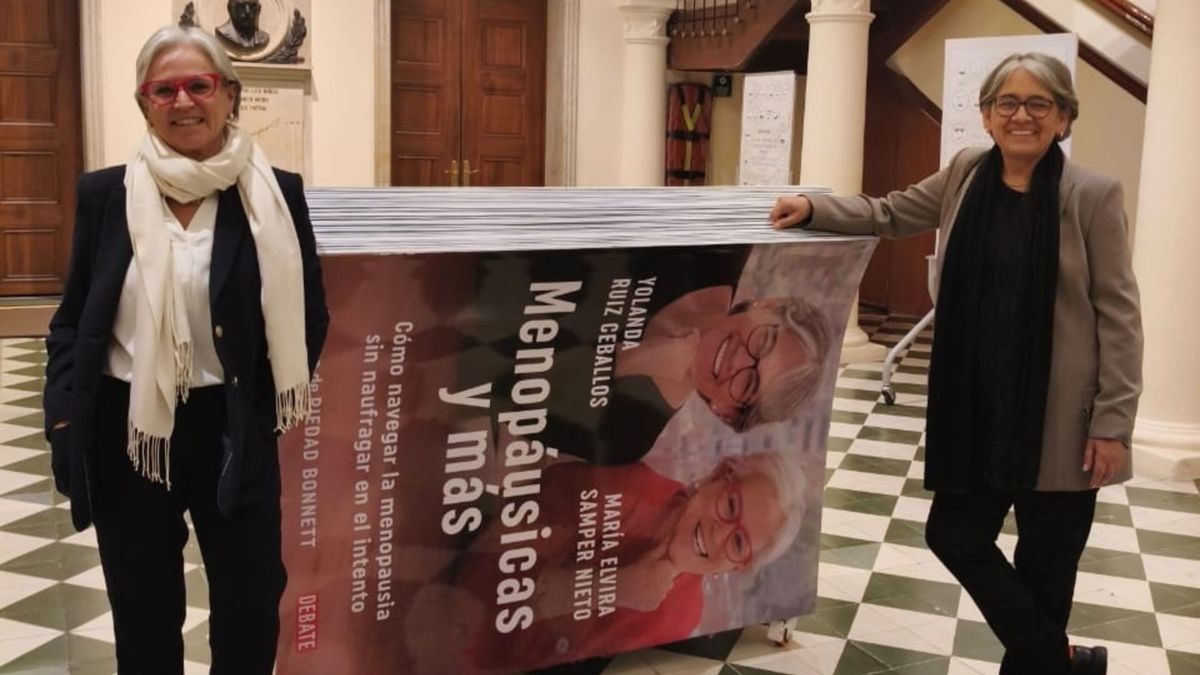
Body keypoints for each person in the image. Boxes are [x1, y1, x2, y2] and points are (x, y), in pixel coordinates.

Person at [770, 52, 1140, 675]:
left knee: (1047, 568)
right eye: (1007, 103)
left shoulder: (1092, 195)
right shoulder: (967, 172)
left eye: (1038, 104)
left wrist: (1113, 422)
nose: (1021, 115)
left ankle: (1045, 661)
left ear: (1064, 119)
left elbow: (1118, 313)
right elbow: (890, 214)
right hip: (977, 409)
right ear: (988, 117)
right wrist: (816, 209)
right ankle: (1061, 658)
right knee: (955, 535)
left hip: (1060, 420)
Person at [42, 25, 328, 674]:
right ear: (145, 103)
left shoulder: (275, 195)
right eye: (163, 89)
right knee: (144, 614)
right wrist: (63, 416)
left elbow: (310, 313)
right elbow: (71, 322)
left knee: (250, 607)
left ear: (229, 94)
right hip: (130, 430)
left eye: (199, 85)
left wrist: (260, 407)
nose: (183, 101)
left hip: (231, 427)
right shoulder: (104, 195)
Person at [402, 452, 807, 674]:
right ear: (720, 474)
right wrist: (611, 587)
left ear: (737, 567)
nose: (719, 533)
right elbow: (465, 595)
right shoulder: (622, 486)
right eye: (730, 505)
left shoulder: (686, 613)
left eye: (739, 542)